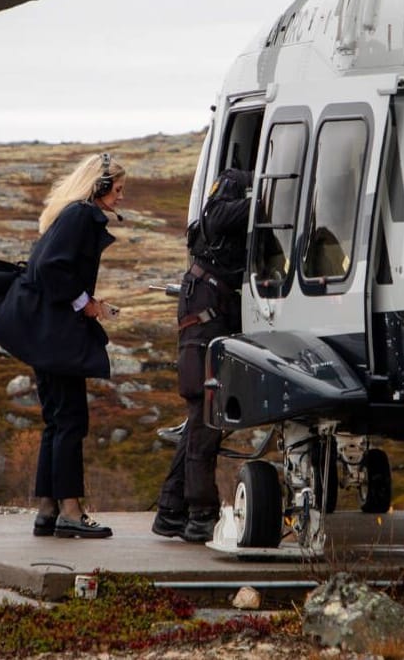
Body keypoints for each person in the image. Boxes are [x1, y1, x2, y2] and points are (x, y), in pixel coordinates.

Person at [0, 152, 126, 540]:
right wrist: (86, 304)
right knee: (71, 420)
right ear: (100, 187)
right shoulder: (81, 216)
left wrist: (87, 302)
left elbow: (49, 267)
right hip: (56, 335)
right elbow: (52, 268)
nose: (121, 197)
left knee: (57, 420)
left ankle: (48, 510)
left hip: (44, 333)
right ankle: (71, 510)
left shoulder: (68, 215)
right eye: (118, 189)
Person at [152, 165, 252, 543]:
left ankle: (172, 510)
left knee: (200, 416)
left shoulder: (219, 214)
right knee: (205, 412)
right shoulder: (224, 203)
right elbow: (220, 213)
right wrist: (266, 196)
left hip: (206, 315)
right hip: (205, 320)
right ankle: (199, 513)